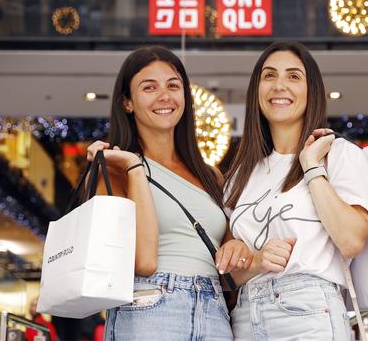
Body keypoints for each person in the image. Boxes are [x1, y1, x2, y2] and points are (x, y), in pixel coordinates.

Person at [85, 46, 251, 341]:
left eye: (173, 86)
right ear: (127, 102)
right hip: (149, 308)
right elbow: (144, 262)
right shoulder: (114, 170)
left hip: (213, 311)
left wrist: (238, 249)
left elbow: (227, 260)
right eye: (149, 87)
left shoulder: (209, 175)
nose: (165, 96)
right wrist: (135, 167)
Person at [216, 41, 368, 340]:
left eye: (293, 76)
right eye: (269, 76)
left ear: (311, 90)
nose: (279, 86)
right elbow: (231, 277)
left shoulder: (337, 154)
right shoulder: (241, 174)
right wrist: (255, 260)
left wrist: (311, 166)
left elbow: (352, 240)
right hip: (245, 318)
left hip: (309, 311)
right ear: (257, 90)